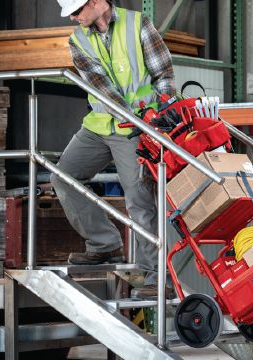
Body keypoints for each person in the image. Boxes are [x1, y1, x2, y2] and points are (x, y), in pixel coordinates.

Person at [53, 0, 174, 299]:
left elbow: (164, 74)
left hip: (139, 127)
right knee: (63, 176)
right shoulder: (78, 40)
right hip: (100, 124)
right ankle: (104, 244)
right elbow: (101, 88)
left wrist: (158, 115)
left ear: (95, 2)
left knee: (139, 199)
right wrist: (133, 118)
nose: (73, 17)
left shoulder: (138, 25)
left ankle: (156, 277)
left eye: (76, 10)